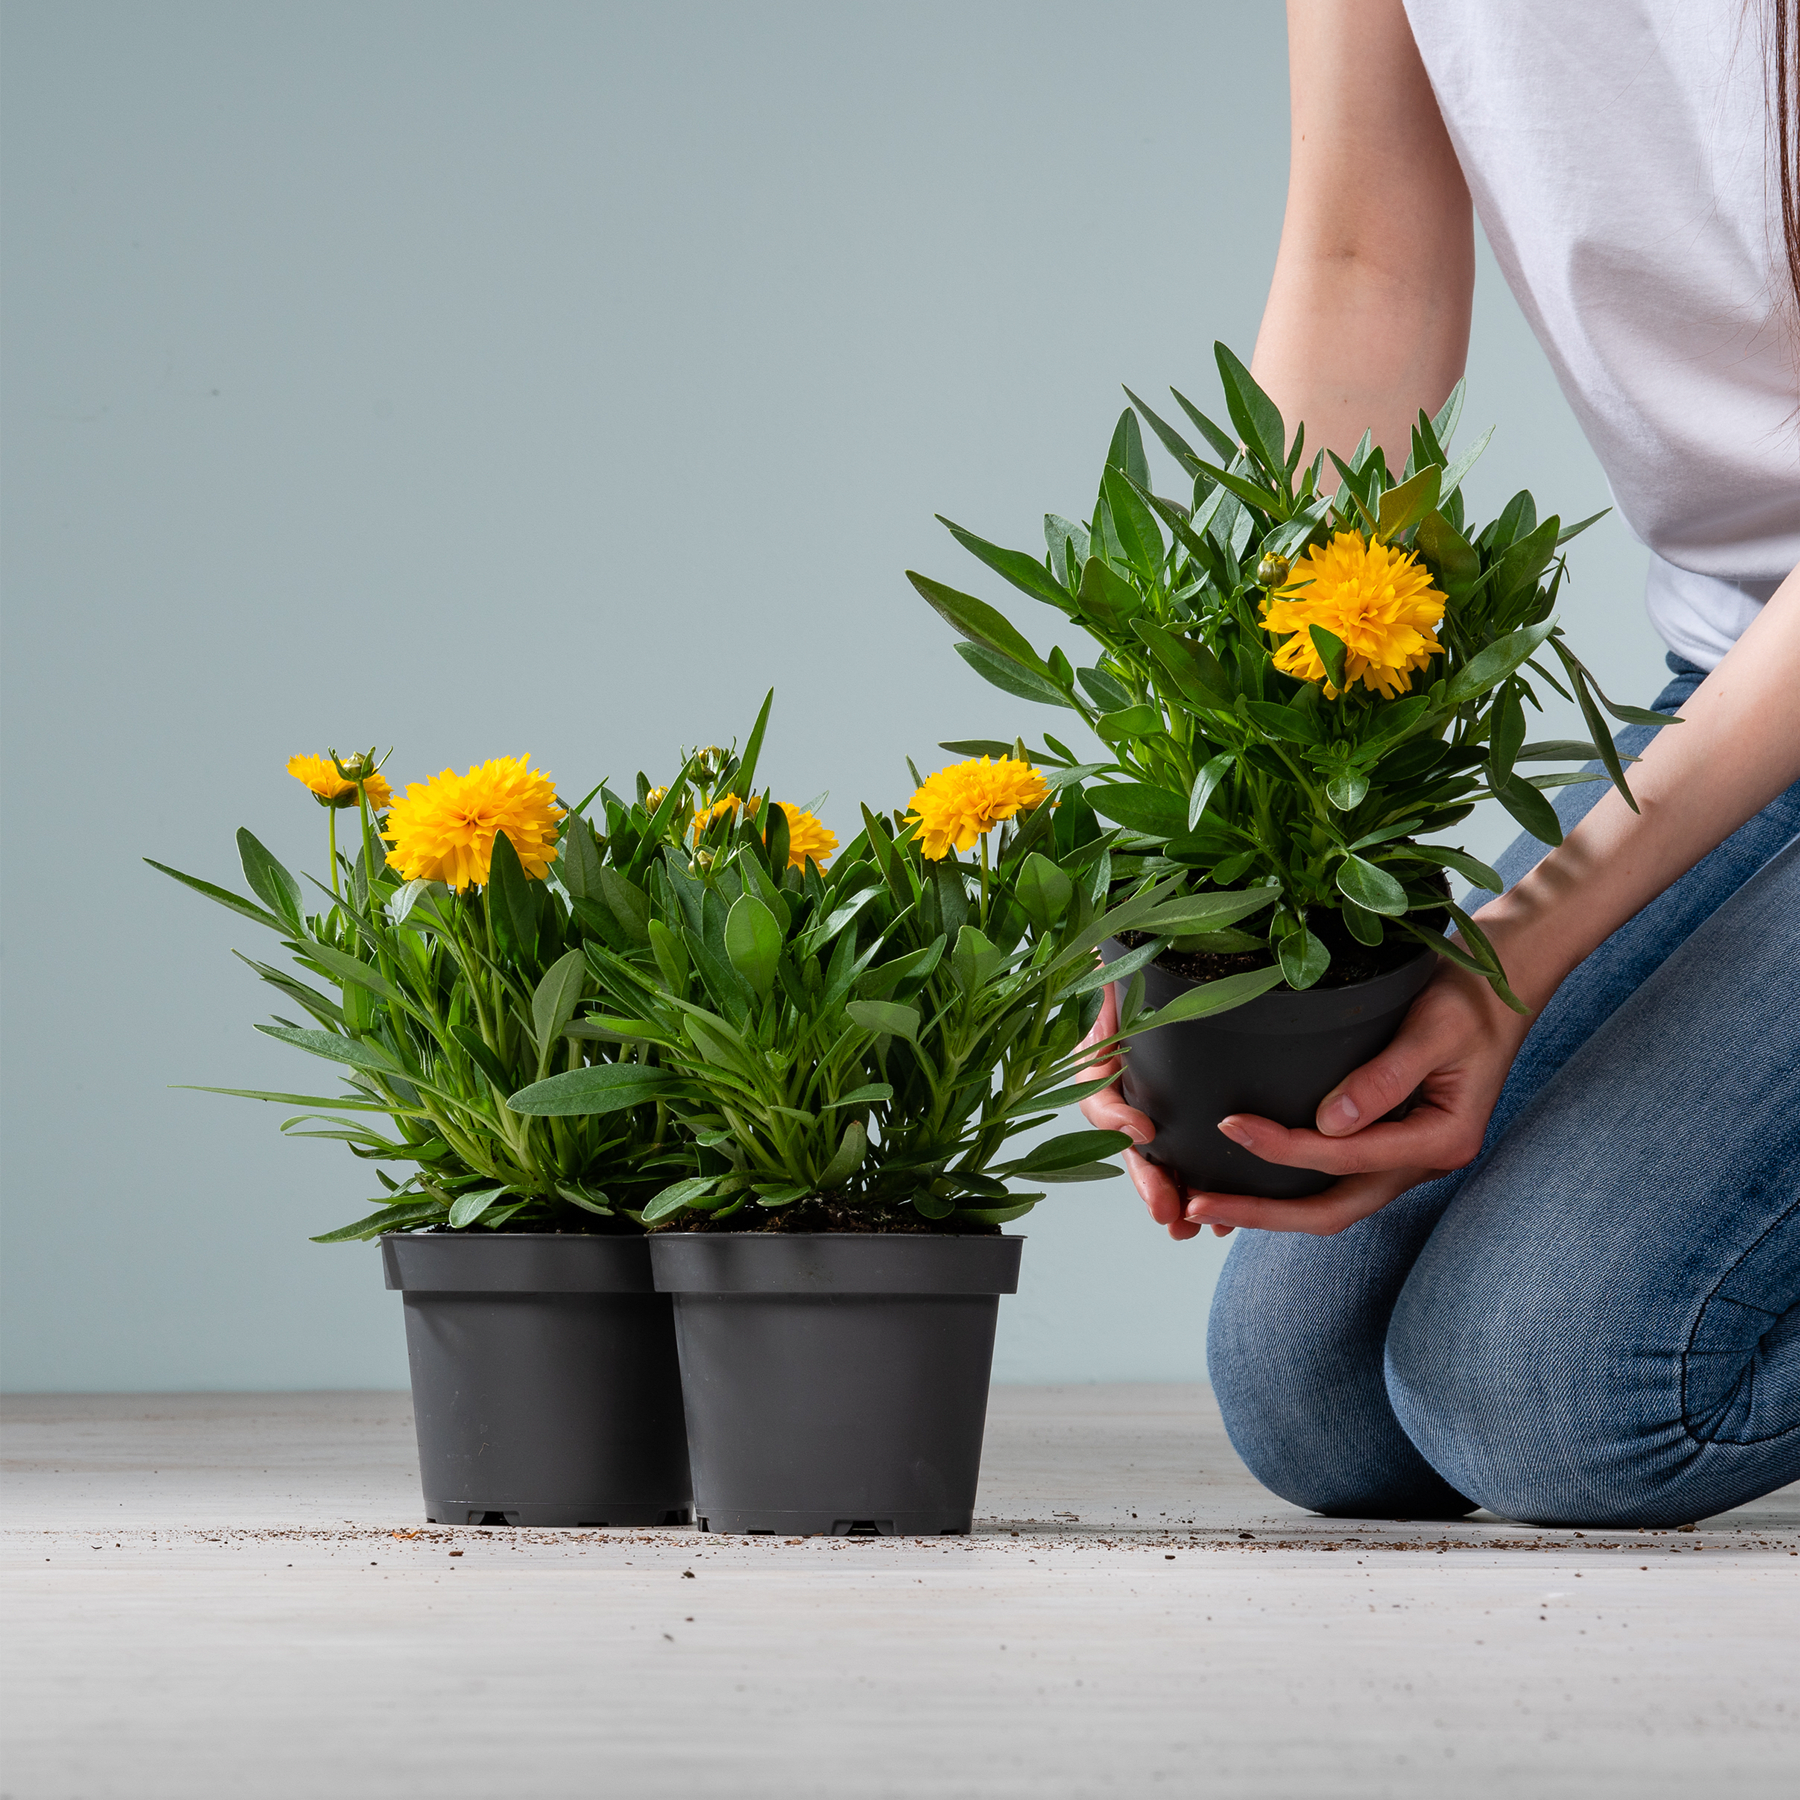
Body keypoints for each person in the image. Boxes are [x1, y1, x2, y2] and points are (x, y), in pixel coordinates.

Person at [1080, 0, 1800, 1527]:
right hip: (1741, 671)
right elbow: (1363, 265)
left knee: (1569, 1395)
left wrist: (1512, 953)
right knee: (1316, 1392)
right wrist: (1206, 883)